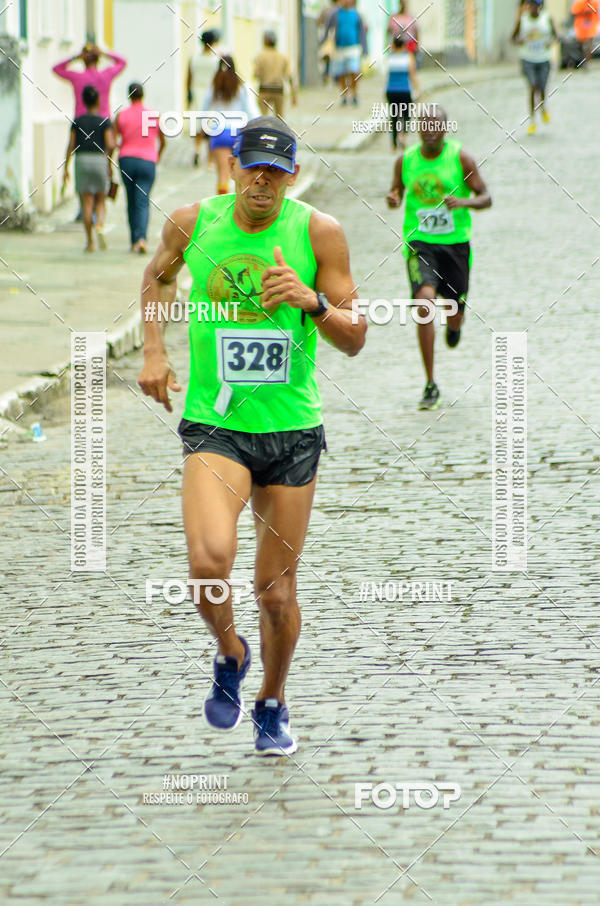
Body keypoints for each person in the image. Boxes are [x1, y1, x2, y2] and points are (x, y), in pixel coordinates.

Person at [137, 115, 367, 756]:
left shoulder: (319, 233)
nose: (262, 180)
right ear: (232, 164)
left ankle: (272, 700)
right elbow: (158, 276)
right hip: (217, 423)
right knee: (209, 566)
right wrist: (154, 351)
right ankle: (230, 651)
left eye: (277, 170)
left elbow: (355, 335)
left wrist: (309, 300)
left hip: (291, 431)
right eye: (253, 166)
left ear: (291, 175)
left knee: (276, 590)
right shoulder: (194, 220)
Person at [386, 105, 491, 410]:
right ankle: (430, 383)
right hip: (420, 244)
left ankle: (455, 325)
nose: (430, 129)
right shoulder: (405, 161)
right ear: (419, 128)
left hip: (455, 245)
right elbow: (396, 193)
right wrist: (393, 198)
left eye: (436, 125)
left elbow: (487, 197)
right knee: (424, 301)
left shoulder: (461, 158)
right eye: (425, 124)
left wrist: (464, 202)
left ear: (445, 128)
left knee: (454, 312)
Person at [63, 85, 115, 252]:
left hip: (82, 160)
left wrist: (66, 168)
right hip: (99, 159)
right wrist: (108, 162)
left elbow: (70, 146)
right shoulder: (104, 121)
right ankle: (99, 224)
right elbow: (111, 144)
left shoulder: (77, 121)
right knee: (100, 200)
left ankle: (90, 242)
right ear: (98, 101)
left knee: (86, 202)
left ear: (84, 101)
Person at [115, 83, 166, 254]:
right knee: (143, 201)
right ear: (143, 95)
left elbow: (114, 140)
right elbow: (163, 141)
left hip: (127, 160)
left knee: (130, 202)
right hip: (147, 161)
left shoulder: (122, 115)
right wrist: (156, 155)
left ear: (129, 95)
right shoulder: (153, 115)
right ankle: (142, 239)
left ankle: (134, 240)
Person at [202, 56, 260, 195]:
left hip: (219, 132)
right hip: (238, 133)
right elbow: (252, 111)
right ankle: (239, 205)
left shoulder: (214, 86)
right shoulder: (242, 87)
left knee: (223, 174)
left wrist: (202, 128)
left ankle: (222, 207)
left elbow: (203, 109)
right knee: (241, 174)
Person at [512, 0, 557, 134]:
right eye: (530, 5)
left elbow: (556, 36)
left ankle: (543, 107)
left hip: (543, 60)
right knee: (532, 87)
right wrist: (518, 40)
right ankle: (532, 121)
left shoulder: (547, 19)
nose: (532, 8)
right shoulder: (523, 21)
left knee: (542, 87)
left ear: (540, 6)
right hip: (528, 59)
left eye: (535, 5)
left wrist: (550, 41)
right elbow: (513, 38)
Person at [52, 43, 127, 121]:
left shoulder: (77, 77)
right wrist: (103, 53)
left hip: (81, 121)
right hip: (103, 120)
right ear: (98, 59)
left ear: (83, 60)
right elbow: (122, 62)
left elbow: (56, 68)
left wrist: (76, 57)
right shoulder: (106, 75)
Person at [187, 29, 225, 167]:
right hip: (211, 93)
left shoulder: (194, 58)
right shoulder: (216, 58)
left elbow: (189, 77)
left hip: (197, 90)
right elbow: (220, 78)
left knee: (198, 124)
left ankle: (197, 150)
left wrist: (188, 93)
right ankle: (209, 160)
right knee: (211, 127)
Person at [323, 0, 368, 105]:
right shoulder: (334, 13)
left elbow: (362, 32)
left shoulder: (356, 14)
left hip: (354, 48)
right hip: (339, 48)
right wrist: (324, 43)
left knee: (354, 72)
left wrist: (365, 48)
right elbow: (327, 28)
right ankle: (344, 95)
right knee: (341, 73)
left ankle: (355, 94)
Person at [385, 34, 420, 150]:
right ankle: (402, 136)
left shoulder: (390, 57)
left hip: (391, 91)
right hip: (404, 91)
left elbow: (387, 75)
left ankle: (394, 143)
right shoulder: (408, 57)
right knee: (406, 115)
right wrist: (418, 89)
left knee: (394, 116)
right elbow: (412, 75)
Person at [253, 30, 297, 118]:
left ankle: (264, 131)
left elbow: (256, 74)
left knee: (262, 118)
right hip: (279, 90)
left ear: (265, 41)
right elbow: (290, 76)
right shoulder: (283, 57)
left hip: (264, 90)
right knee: (279, 119)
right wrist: (293, 95)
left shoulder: (260, 56)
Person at [571, 0, 599, 67]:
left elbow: (596, 12)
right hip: (581, 25)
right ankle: (582, 60)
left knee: (589, 45)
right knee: (581, 44)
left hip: (591, 24)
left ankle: (587, 62)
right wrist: (583, 11)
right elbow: (574, 12)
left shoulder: (595, 3)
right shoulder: (579, 3)